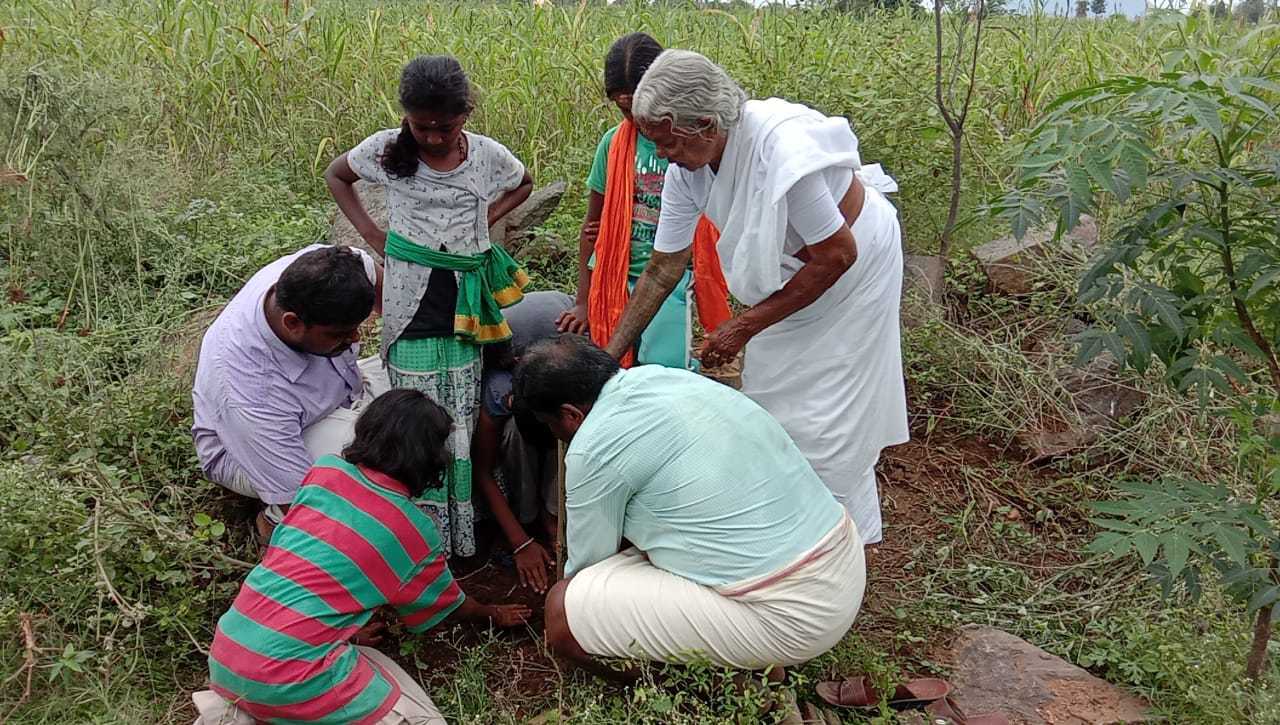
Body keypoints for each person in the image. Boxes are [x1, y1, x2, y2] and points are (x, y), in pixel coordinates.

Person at [603, 50, 908, 544]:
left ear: (705, 124)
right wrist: (609, 355)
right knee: (773, 401)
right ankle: (795, 533)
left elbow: (836, 256)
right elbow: (663, 268)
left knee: (828, 421)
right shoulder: (689, 167)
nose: (661, 156)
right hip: (798, 275)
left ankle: (839, 550)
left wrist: (744, 325)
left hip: (854, 266)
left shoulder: (783, 152)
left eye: (666, 142)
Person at [513, 335, 865, 678]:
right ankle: (744, 650)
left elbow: (588, 568)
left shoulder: (592, 447)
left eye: (549, 425)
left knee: (562, 611)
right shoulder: (663, 376)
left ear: (570, 414)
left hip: (791, 612)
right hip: (842, 556)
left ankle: (728, 687)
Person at [191, 389, 532, 725]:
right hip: (291, 679)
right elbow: (446, 606)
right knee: (424, 720)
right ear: (429, 459)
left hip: (227, 655)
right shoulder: (412, 528)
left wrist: (347, 634)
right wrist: (491, 614)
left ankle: (241, 712)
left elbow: (307, 567)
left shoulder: (324, 473)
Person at [325, 55, 534, 558]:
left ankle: (463, 536)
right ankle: (419, 543)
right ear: (407, 116)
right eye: (423, 127)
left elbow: (523, 182)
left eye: (446, 127)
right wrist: (373, 233)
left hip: (464, 303)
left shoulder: (484, 156)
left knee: (460, 419)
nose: (435, 139)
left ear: (466, 115)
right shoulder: (386, 150)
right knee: (416, 421)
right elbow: (338, 176)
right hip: (408, 302)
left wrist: (484, 219)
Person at [556, 33, 730, 369]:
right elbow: (592, 228)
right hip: (616, 275)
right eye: (623, 108)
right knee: (617, 365)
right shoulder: (613, 145)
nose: (634, 118)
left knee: (662, 366)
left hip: (673, 275)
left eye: (636, 105)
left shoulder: (692, 141)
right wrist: (582, 302)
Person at [192, 244, 390, 540]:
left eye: (356, 327)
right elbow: (303, 501)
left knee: (425, 393)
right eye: (339, 334)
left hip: (341, 391)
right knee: (386, 452)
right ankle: (272, 520)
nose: (354, 339)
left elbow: (376, 278)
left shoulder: (336, 268)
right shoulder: (249, 392)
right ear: (293, 324)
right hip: (252, 447)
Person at [472, 291, 573, 594]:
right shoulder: (500, 385)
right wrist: (521, 541)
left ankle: (552, 513)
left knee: (568, 440)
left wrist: (557, 519)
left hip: (553, 343)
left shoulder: (576, 361)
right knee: (515, 433)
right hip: (520, 361)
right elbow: (482, 469)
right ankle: (530, 514)